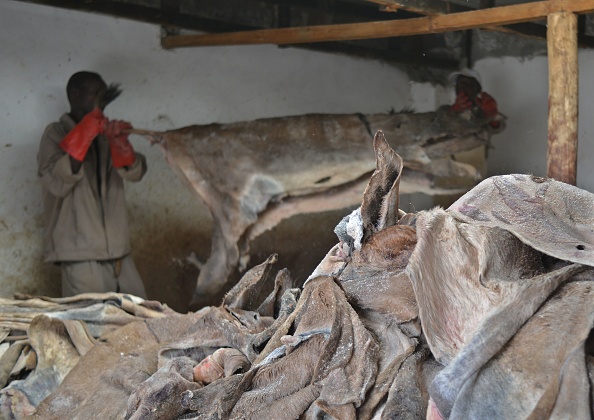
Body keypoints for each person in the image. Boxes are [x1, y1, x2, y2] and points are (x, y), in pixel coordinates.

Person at [37, 71, 147, 298]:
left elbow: (135, 174)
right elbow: (58, 181)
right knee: (91, 326)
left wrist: (121, 146)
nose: (101, 101)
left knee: (141, 319)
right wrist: (83, 135)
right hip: (80, 257)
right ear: (75, 95)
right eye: (96, 94)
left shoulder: (105, 135)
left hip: (119, 254)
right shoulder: (55, 134)